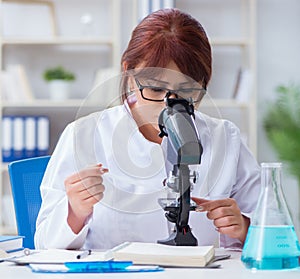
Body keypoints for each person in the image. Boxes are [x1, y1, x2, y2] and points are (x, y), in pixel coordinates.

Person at [35, 8, 260, 250]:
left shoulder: (225, 137)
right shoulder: (83, 135)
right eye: (155, 89)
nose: (168, 103)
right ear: (129, 73)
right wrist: (75, 211)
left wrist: (245, 227)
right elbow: (44, 243)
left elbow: (279, 236)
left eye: (185, 92)